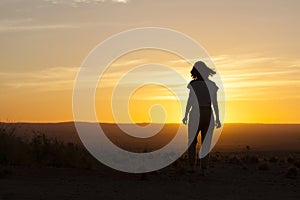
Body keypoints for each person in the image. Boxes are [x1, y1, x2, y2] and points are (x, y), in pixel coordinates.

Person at [182, 61, 221, 174]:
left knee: (192, 141)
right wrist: (217, 118)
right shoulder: (212, 85)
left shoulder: (193, 84)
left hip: (195, 113)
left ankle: (192, 166)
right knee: (206, 142)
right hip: (208, 113)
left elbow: (190, 100)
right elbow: (215, 103)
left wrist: (185, 114)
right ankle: (204, 168)